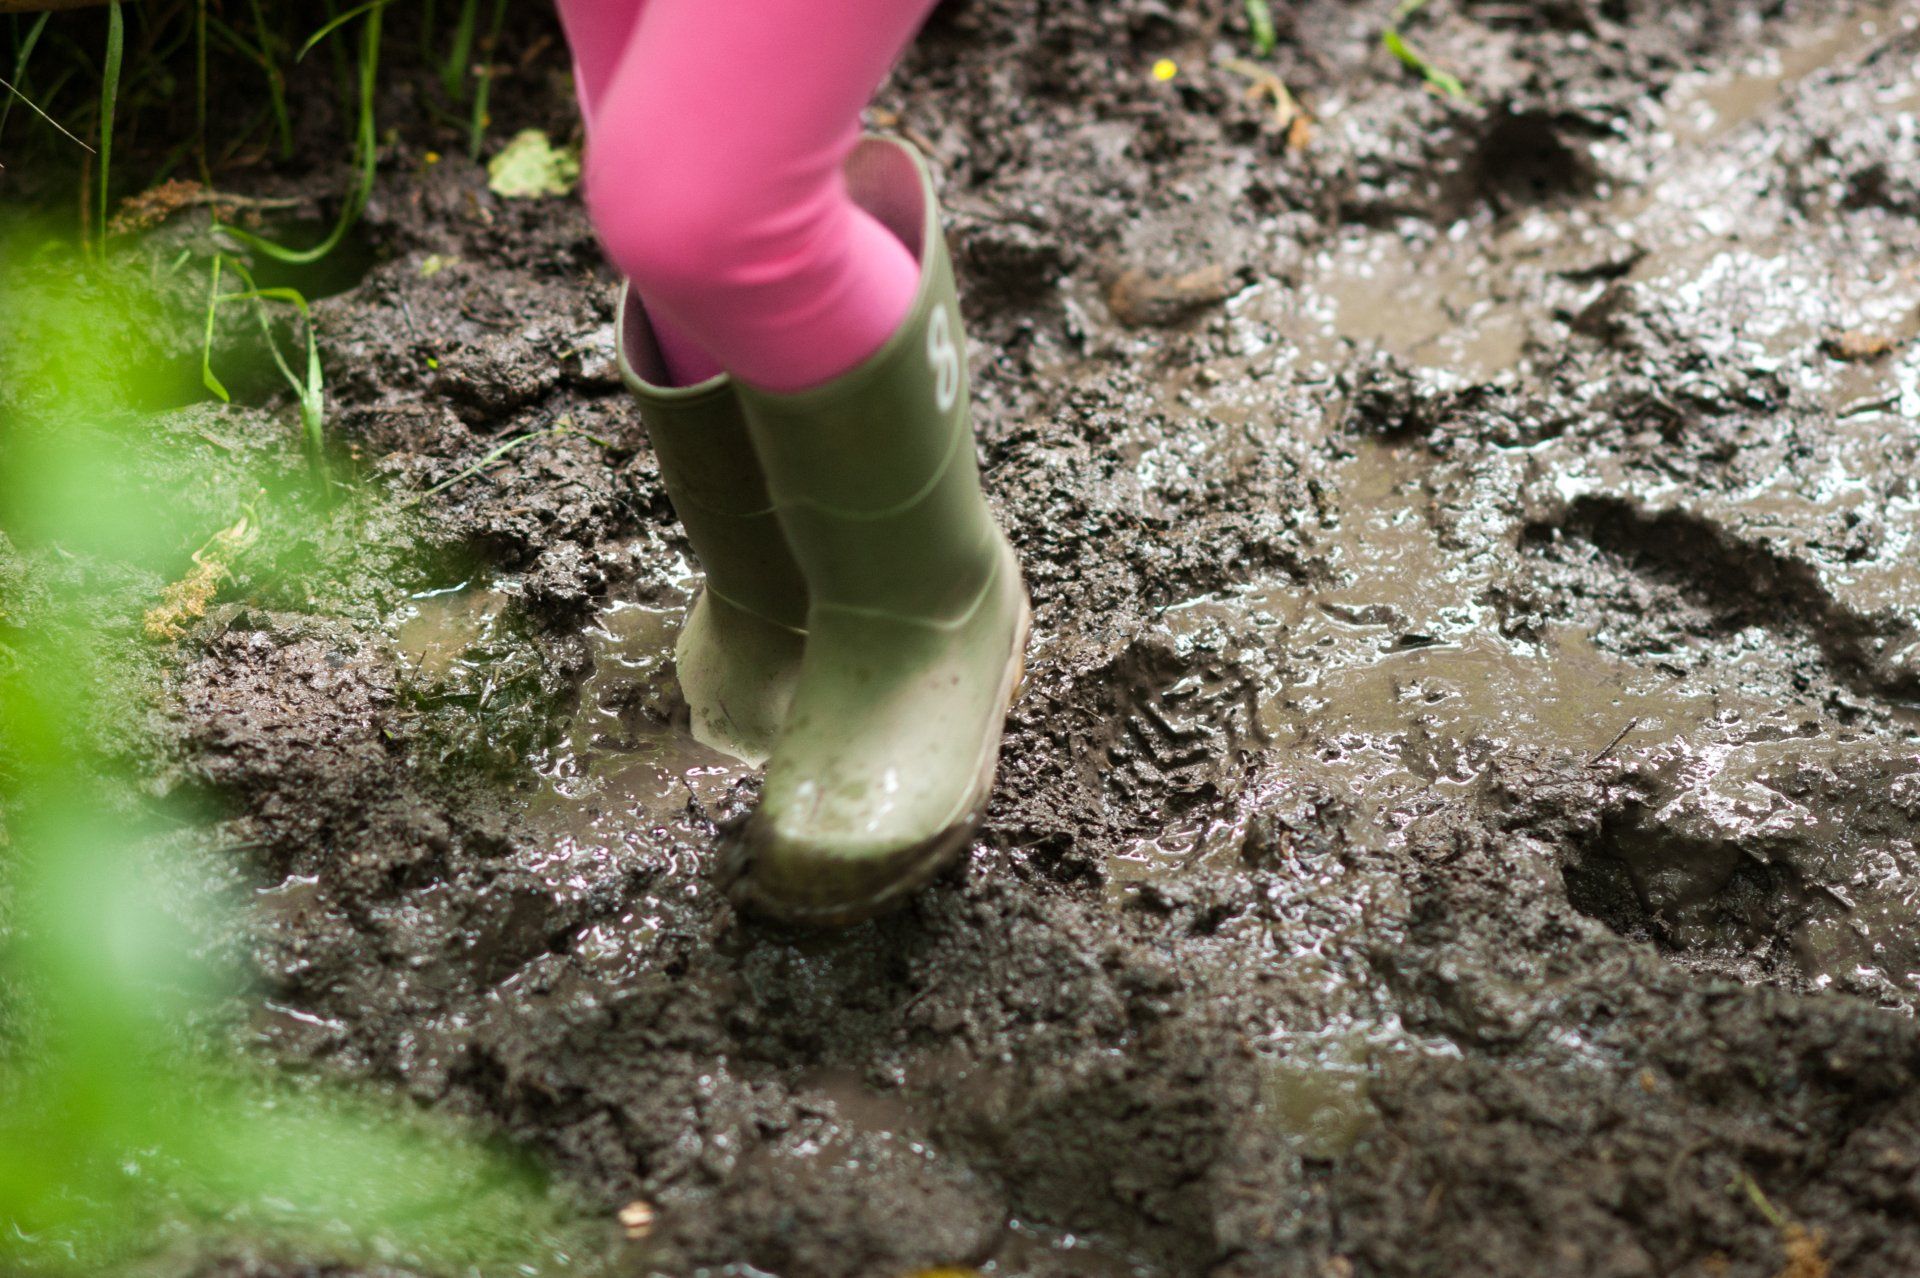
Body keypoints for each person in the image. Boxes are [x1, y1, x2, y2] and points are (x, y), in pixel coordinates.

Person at [551, 0, 1030, 926]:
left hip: (919, 605)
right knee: (646, 110)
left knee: (705, 202)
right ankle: (776, 593)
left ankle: (925, 607)